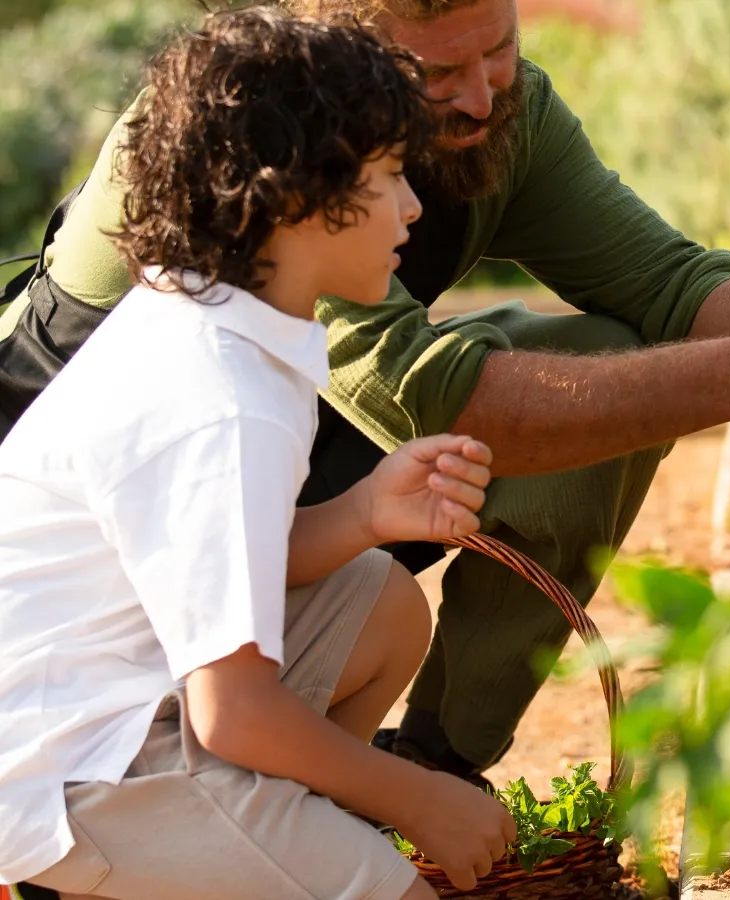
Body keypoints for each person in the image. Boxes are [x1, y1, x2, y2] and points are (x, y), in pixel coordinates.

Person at [0, 0, 730, 787]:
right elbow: (445, 401)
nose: (482, 97)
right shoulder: (264, 145)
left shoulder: (503, 116)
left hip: (279, 473)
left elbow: (671, 288)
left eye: (496, 48)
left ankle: (428, 767)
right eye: (437, 74)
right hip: (93, 583)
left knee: (609, 352)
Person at [0, 10, 516, 899]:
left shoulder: (217, 319)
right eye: (390, 176)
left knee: (379, 605)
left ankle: (254, 854)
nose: (414, 206)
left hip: (119, 699)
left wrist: (363, 515)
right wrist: (416, 800)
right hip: (69, 770)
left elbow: (221, 575)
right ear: (296, 200)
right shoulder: (220, 396)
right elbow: (232, 710)